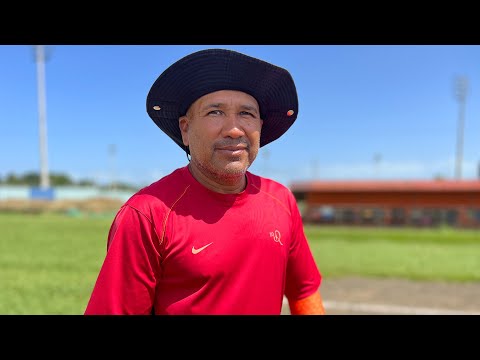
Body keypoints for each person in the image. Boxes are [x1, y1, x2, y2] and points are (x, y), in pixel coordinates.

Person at [84, 48, 325, 315]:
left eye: (247, 113)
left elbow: (304, 290)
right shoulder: (147, 214)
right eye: (215, 112)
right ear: (185, 129)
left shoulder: (281, 200)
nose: (234, 129)